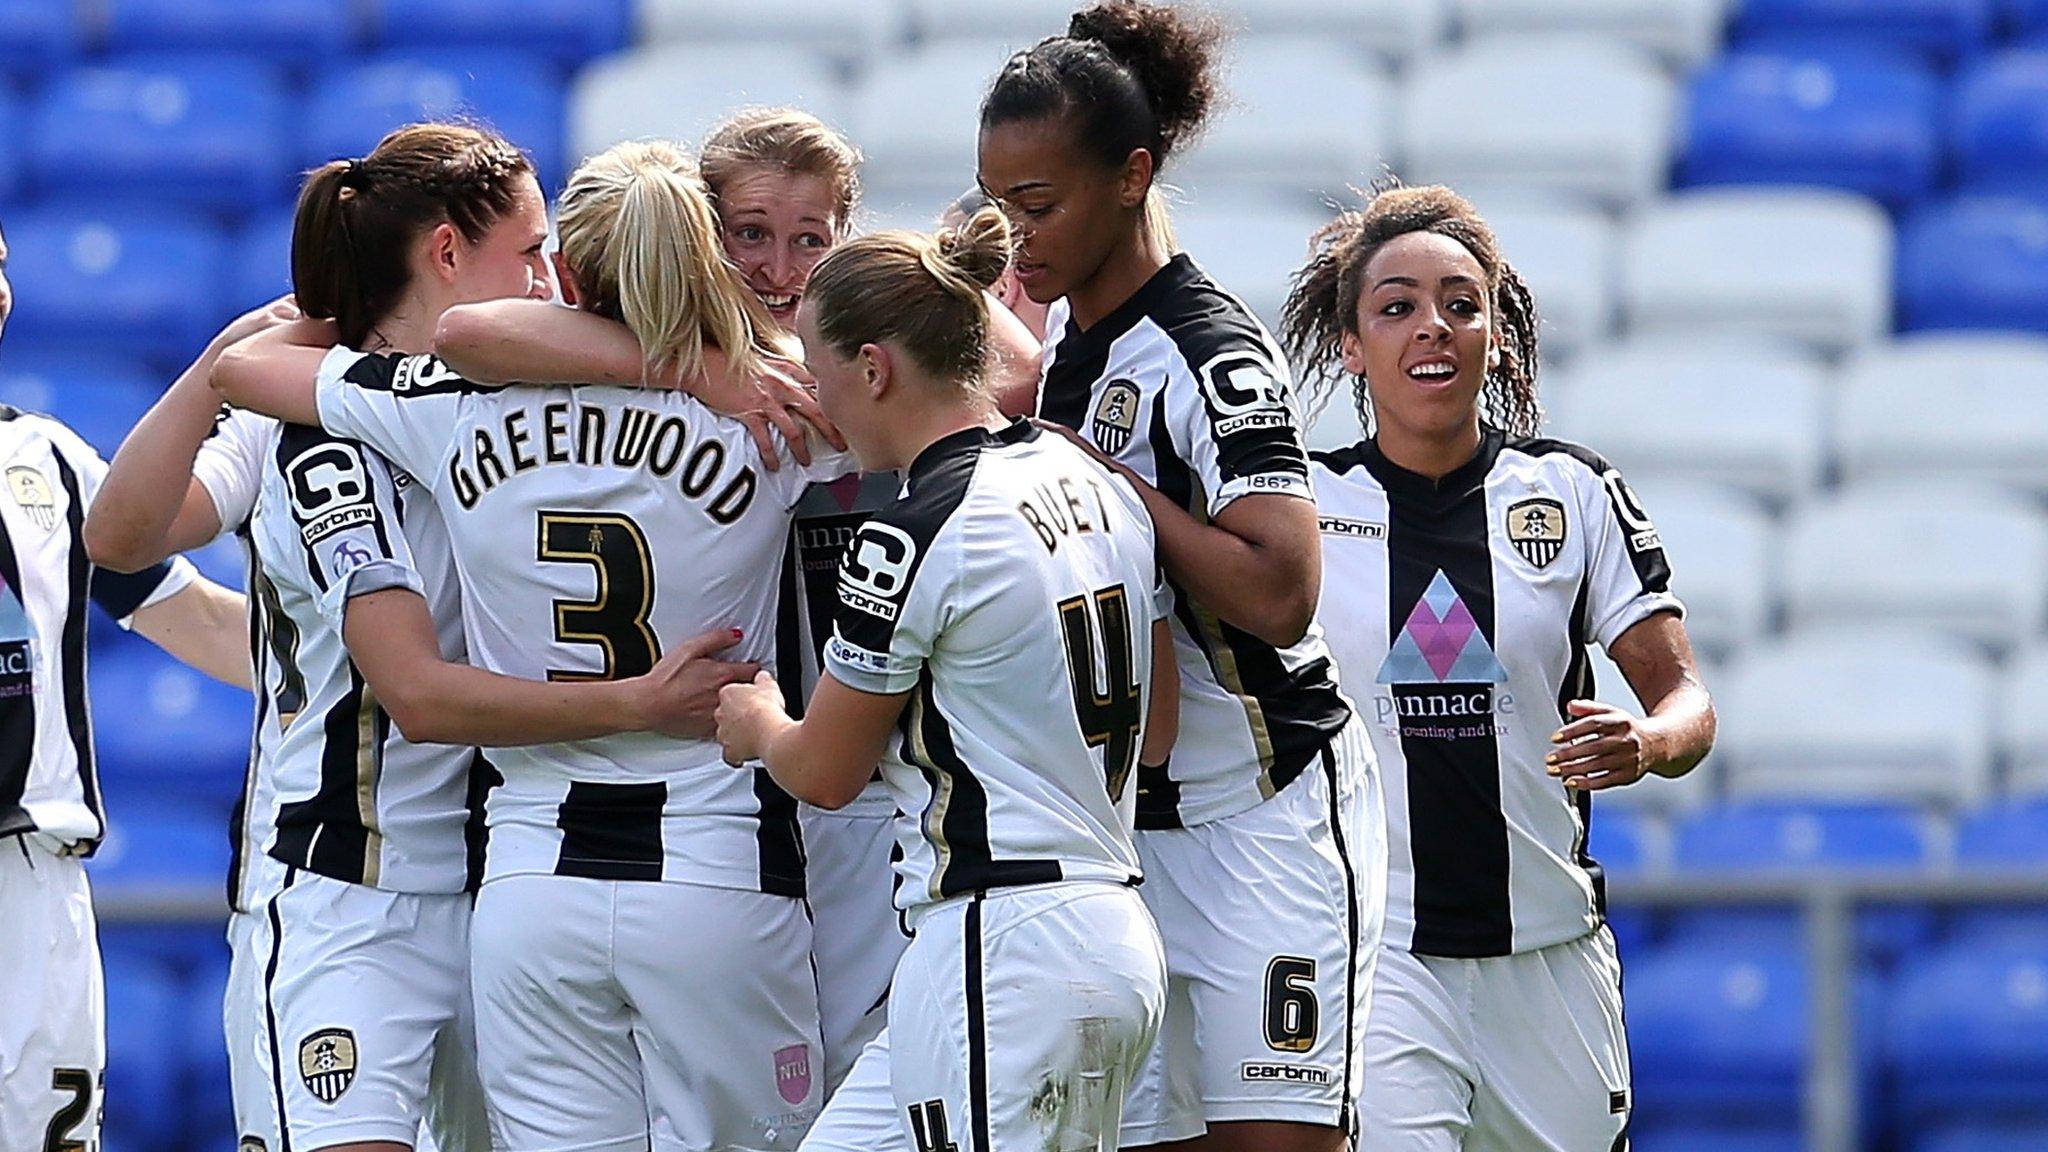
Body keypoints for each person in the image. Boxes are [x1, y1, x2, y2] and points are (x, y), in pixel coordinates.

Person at [88, 124, 747, 1152]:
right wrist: (224, 359)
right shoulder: (302, 419)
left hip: (507, 889)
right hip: (349, 896)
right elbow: (121, 538)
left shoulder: (534, 393)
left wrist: (703, 372)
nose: (553, 280)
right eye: (530, 251)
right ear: (448, 254)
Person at [213, 137, 852, 1152]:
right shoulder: (778, 408)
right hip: (718, 868)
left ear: (572, 274)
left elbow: (246, 370)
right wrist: (696, 361)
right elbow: (998, 378)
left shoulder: (448, 406)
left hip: (530, 886)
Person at [975, 4, 1385, 1150]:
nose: (1014, 236)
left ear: (1130, 176)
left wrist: (1118, 493)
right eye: (998, 204)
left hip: (1264, 814)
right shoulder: (1060, 350)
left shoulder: (1209, 348)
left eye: (1039, 204)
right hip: (1135, 834)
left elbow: (1279, 590)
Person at [714, 208, 1176, 1152]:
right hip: (1093, 928)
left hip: (1002, 948)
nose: (816, 393)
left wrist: (760, 720)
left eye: (818, 363)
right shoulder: (1088, 477)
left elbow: (826, 770)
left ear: (874, 368)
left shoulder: (914, 528)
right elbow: (1158, 723)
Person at [1280, 181, 1717, 1152]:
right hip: (1384, 959)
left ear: (1496, 336)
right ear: (1351, 346)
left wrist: (1645, 743)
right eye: (1394, 307)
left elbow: (1687, 704)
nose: (1429, 327)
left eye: (1458, 304)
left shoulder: (1572, 492)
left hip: (1547, 957)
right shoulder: (1303, 507)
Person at [0, 215, 256, 1152]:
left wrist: (375, 671)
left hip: (32, 878)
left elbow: (195, 619)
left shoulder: (51, 463)